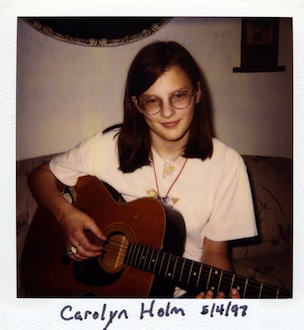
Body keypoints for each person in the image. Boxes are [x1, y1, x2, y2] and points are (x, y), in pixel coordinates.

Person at [28, 41, 257, 298]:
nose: (167, 112)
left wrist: (218, 294)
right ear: (137, 104)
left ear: (197, 93)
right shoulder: (107, 147)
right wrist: (66, 216)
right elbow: (40, 176)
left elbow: (215, 253)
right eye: (152, 101)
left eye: (178, 95)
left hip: (178, 296)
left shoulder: (227, 164)